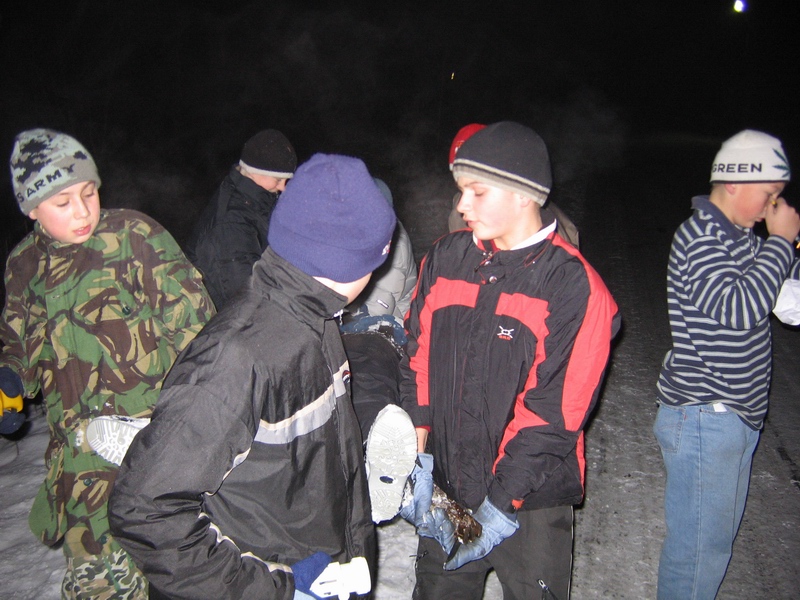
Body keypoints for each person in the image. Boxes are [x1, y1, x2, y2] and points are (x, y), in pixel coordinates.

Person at [108, 153, 397, 600]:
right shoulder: (234, 358)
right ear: (353, 264)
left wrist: (353, 535)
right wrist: (276, 589)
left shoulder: (316, 320)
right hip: (266, 577)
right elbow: (143, 512)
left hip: (324, 564)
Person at [399, 121, 620, 600]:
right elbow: (416, 359)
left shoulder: (573, 286)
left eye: (477, 192)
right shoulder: (446, 258)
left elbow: (553, 415)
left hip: (528, 502)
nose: (462, 205)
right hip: (448, 486)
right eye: (461, 190)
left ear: (524, 195)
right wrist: (417, 454)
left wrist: (499, 506)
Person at [0, 128, 215, 598]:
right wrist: (10, 378)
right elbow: (17, 343)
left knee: (182, 578)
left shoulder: (134, 238)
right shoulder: (23, 266)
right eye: (62, 202)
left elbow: (201, 338)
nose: (82, 211)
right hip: (80, 468)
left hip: (152, 452)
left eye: (89, 192)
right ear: (31, 209)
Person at [654, 129, 800, 599]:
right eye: (769, 193)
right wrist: (781, 243)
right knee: (697, 553)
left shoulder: (745, 240)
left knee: (713, 547)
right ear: (735, 181)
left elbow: (787, 303)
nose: (773, 206)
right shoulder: (700, 236)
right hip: (704, 417)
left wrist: (789, 252)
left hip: (734, 418)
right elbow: (739, 308)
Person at [338, 177, 419, 523]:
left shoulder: (393, 243)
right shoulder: (349, 234)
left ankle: (374, 452)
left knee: (369, 371)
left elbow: (381, 303)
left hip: (382, 331)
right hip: (350, 329)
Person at [185, 128, 297, 309]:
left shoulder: (256, 199)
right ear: (257, 171)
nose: (283, 187)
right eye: (278, 180)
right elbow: (246, 298)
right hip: (224, 316)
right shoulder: (232, 224)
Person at [446, 123, 581, 249]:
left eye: (479, 191)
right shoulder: (447, 244)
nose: (461, 207)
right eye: (461, 186)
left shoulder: (555, 236)